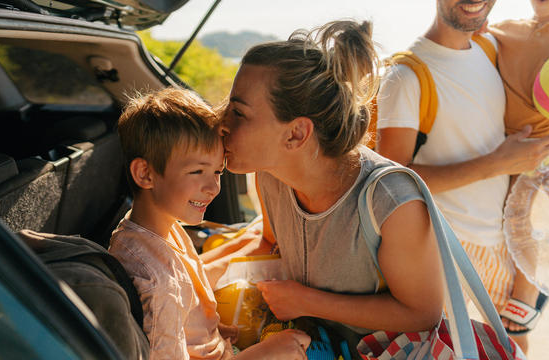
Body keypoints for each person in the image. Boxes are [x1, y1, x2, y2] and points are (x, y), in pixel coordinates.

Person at [219, 19, 444, 341]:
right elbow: (271, 243)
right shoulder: (270, 177)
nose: (222, 123)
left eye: (238, 113)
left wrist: (306, 302)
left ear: (296, 133)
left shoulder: (391, 201)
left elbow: (423, 313)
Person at [376, 0, 549, 353]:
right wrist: (494, 163)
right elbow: (388, 183)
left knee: (514, 349)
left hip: (500, 247)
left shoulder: (490, 49)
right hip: (441, 249)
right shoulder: (405, 75)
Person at [108, 87, 310, 360]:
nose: (213, 187)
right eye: (197, 171)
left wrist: (210, 329)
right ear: (145, 173)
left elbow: (187, 296)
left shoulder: (155, 229)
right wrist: (264, 353)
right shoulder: (157, 283)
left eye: (217, 171)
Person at [487, 0, 549, 349]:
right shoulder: (505, 30)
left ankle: (526, 295)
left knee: (514, 333)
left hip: (540, 161)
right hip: (502, 153)